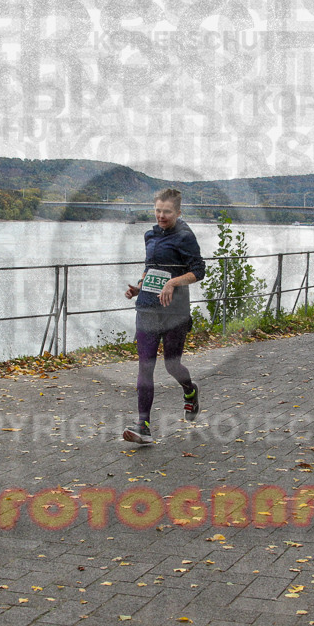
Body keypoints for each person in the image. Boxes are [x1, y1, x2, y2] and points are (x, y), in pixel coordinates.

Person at [123, 188, 205, 444]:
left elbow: (199, 271)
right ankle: (142, 426)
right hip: (147, 308)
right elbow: (150, 269)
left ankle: (190, 391)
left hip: (174, 312)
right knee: (145, 367)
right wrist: (139, 287)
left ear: (178, 213)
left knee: (172, 365)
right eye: (157, 210)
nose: (161, 215)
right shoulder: (150, 235)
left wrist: (173, 283)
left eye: (166, 212)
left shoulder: (185, 237)